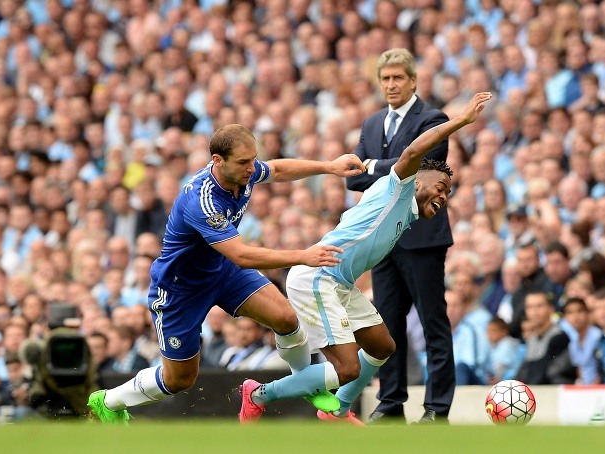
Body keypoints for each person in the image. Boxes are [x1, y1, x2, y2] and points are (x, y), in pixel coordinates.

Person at [238, 93, 492, 424]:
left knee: (382, 346)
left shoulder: (409, 213)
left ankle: (338, 409)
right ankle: (258, 393)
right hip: (318, 276)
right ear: (420, 177)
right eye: (441, 186)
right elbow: (414, 151)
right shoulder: (399, 186)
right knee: (347, 368)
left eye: (448, 194)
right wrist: (460, 120)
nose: (444, 195)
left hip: (339, 283)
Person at [87, 124, 365, 423]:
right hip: (181, 289)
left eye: (252, 159)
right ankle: (109, 401)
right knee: (180, 378)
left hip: (222, 271)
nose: (251, 168)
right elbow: (242, 255)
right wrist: (303, 256)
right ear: (218, 160)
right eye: (243, 162)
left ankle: (305, 384)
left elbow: (277, 170)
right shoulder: (202, 199)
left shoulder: (241, 173)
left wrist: (328, 166)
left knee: (286, 318)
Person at [346, 47, 457, 424]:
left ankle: (437, 409)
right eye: (386, 79)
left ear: (413, 81)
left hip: (423, 237)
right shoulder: (372, 123)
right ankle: (391, 403)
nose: (391, 85)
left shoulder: (434, 118)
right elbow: (352, 177)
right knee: (387, 325)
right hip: (384, 240)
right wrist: (390, 168)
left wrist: (375, 165)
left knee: (432, 323)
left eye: (398, 78)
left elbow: (425, 167)